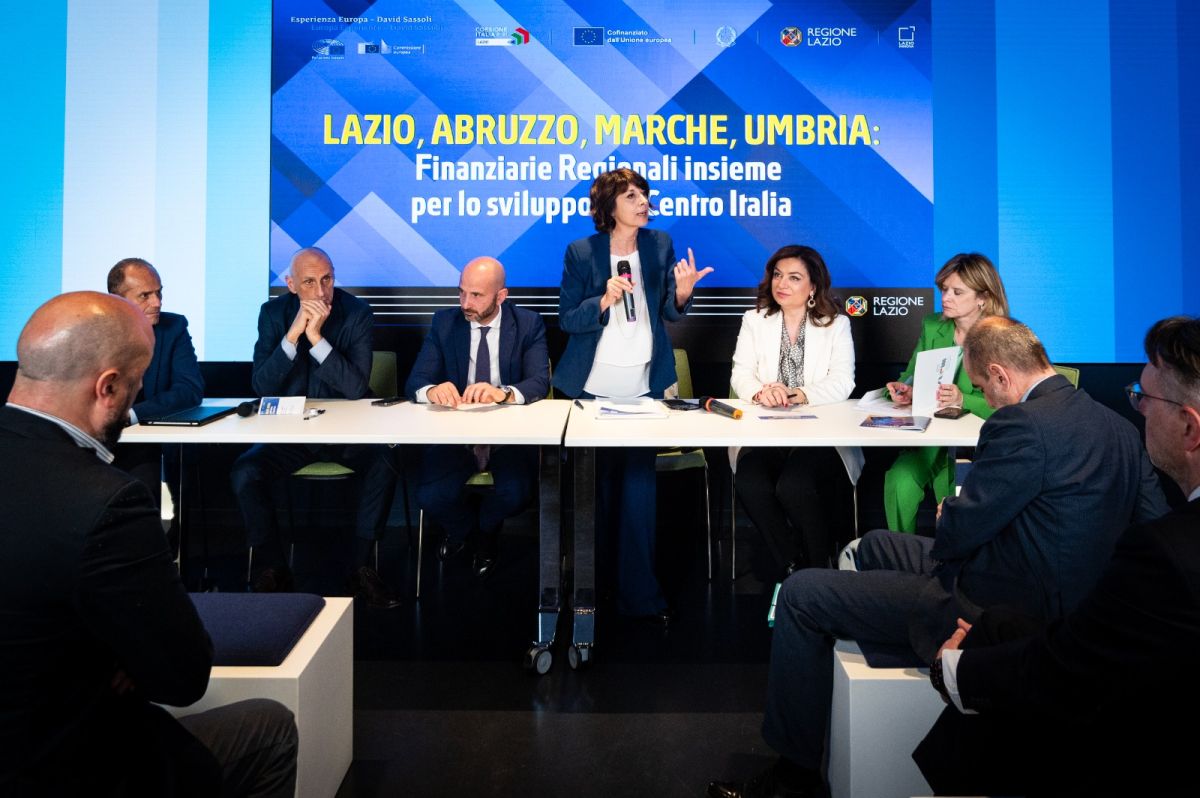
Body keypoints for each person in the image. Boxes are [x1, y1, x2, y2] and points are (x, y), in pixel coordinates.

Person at [707, 317, 1167, 798]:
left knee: (802, 593)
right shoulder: (1118, 427)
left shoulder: (1020, 424)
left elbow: (962, 532)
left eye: (983, 388)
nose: (985, 399)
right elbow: (1151, 524)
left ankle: (792, 777)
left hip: (996, 607)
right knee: (878, 543)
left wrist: (951, 513)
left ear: (1001, 374)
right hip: (1047, 588)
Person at [0, 291, 297, 797]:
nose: (139, 392)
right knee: (270, 728)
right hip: (66, 765)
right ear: (109, 388)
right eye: (137, 383)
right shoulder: (107, 503)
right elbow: (182, 678)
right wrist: (114, 656)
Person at [915, 316, 1200, 797]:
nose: (1138, 410)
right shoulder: (1126, 453)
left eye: (1145, 398)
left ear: (1189, 427)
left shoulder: (1165, 554)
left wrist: (955, 670)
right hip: (1040, 619)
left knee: (812, 595)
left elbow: (1074, 668)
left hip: (1113, 745)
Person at [553, 168, 712, 623]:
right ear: (608, 206)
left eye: (643, 193)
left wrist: (682, 295)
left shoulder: (659, 244)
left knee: (639, 494)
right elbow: (567, 319)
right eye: (630, 195)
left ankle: (641, 596)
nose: (642, 201)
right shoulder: (582, 252)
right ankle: (592, 591)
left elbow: (668, 313)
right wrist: (602, 300)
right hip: (592, 390)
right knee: (596, 494)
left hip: (644, 389)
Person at [230, 247, 400, 607]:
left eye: (327, 280)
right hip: (290, 436)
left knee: (385, 463)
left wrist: (317, 339)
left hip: (348, 434)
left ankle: (361, 568)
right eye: (309, 282)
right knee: (246, 471)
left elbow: (355, 388)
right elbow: (261, 385)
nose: (321, 292)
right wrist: (293, 337)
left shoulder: (357, 312)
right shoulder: (272, 314)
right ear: (291, 285)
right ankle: (274, 568)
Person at [405, 256, 550, 578]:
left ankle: (484, 530)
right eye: (461, 292)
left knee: (517, 493)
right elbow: (416, 381)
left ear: (501, 296)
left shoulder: (527, 324)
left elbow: (540, 381)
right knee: (430, 495)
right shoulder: (445, 323)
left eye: (476, 295)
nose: (465, 303)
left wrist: (504, 393)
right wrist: (432, 390)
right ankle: (471, 533)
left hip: (509, 436)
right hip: (456, 434)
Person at [730, 244, 862, 576]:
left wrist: (798, 393)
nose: (782, 284)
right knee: (751, 482)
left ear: (813, 286)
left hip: (819, 435)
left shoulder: (836, 324)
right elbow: (740, 374)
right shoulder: (754, 320)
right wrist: (762, 391)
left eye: (794, 277)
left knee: (795, 485)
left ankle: (819, 569)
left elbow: (843, 381)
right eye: (777, 275)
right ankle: (794, 568)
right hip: (766, 431)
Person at [883, 253, 1009, 533]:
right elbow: (911, 374)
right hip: (927, 442)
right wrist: (905, 390)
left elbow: (1011, 406)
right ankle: (897, 553)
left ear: (983, 298)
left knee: (952, 495)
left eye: (957, 292)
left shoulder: (1003, 337)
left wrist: (964, 400)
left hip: (975, 449)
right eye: (944, 289)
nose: (945, 297)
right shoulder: (933, 325)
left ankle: (949, 557)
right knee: (898, 481)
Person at [107, 257, 204, 518]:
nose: (157, 302)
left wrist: (131, 415)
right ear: (118, 300)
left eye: (159, 293)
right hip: (97, 441)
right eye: (145, 295)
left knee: (146, 482)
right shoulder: (93, 330)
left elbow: (190, 390)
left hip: (147, 441)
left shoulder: (174, 327)